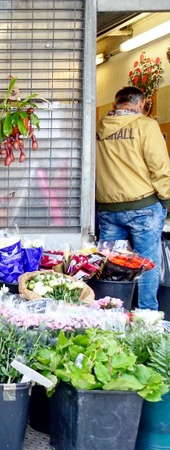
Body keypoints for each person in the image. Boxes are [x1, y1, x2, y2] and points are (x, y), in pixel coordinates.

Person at [96, 86, 170, 310]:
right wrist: (166, 199)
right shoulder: (146, 126)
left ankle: (112, 313)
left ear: (114, 105)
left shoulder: (99, 128)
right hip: (144, 206)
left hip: (108, 208)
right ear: (141, 104)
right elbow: (159, 165)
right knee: (147, 264)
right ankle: (145, 317)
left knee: (111, 266)